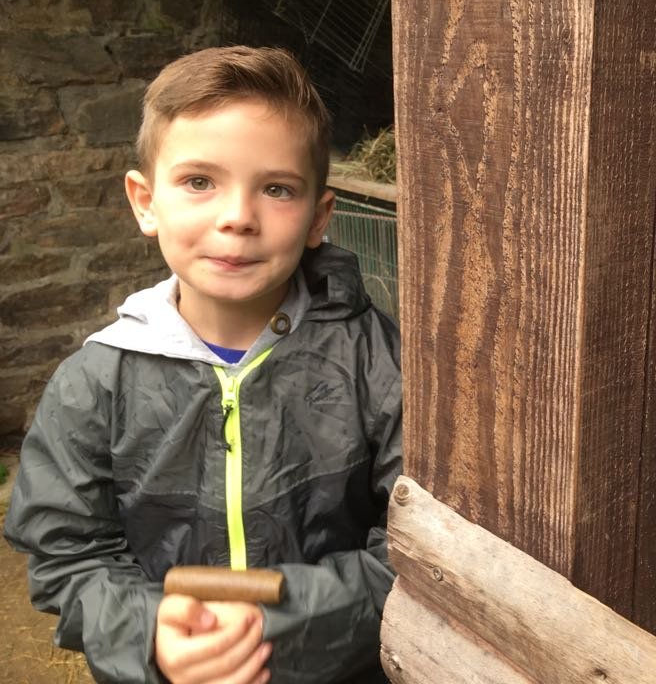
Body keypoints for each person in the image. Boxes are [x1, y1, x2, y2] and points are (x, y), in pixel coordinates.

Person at [3, 46, 402, 684]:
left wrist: (283, 626)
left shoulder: (378, 362)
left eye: (276, 189)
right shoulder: (93, 384)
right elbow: (67, 559)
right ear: (145, 201)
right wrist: (147, 630)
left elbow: (418, 554)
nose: (237, 217)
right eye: (199, 182)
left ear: (318, 217)